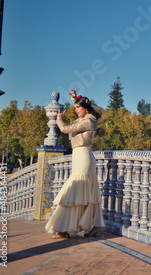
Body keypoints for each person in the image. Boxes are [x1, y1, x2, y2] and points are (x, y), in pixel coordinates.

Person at [45, 88, 104, 239]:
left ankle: (64, 228)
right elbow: (82, 107)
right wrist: (75, 99)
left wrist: (58, 118)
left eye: (78, 108)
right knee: (84, 193)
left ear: (85, 108)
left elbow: (65, 129)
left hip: (84, 157)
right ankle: (95, 226)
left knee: (76, 192)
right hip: (79, 156)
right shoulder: (86, 117)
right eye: (75, 108)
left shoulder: (88, 121)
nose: (76, 110)